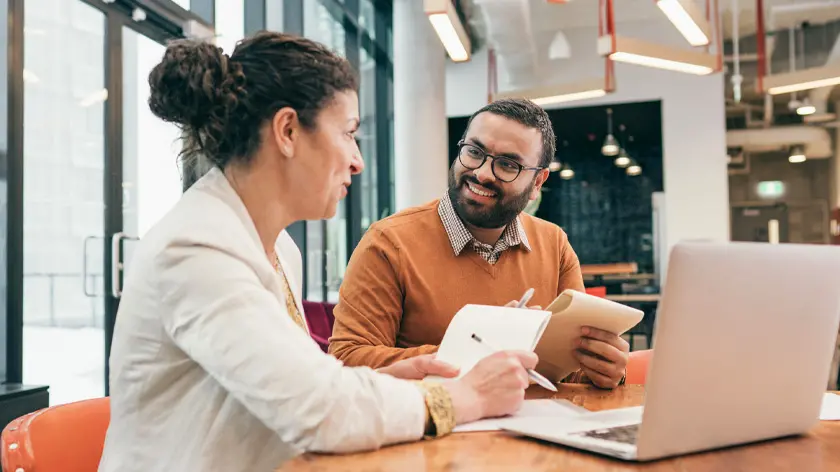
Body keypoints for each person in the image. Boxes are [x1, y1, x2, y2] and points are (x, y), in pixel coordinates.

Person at [98, 32, 539, 472]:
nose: (357, 161)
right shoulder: (195, 248)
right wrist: (465, 396)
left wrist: (388, 380)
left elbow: (289, 385)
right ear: (287, 131)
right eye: (348, 133)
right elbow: (318, 412)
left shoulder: (278, 248)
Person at [329, 98, 629, 389]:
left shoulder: (554, 244)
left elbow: (568, 372)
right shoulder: (388, 242)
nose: (482, 173)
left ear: (537, 183)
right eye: (474, 151)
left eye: (508, 164)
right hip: (438, 421)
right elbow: (348, 360)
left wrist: (603, 369)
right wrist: (475, 349)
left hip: (538, 419)